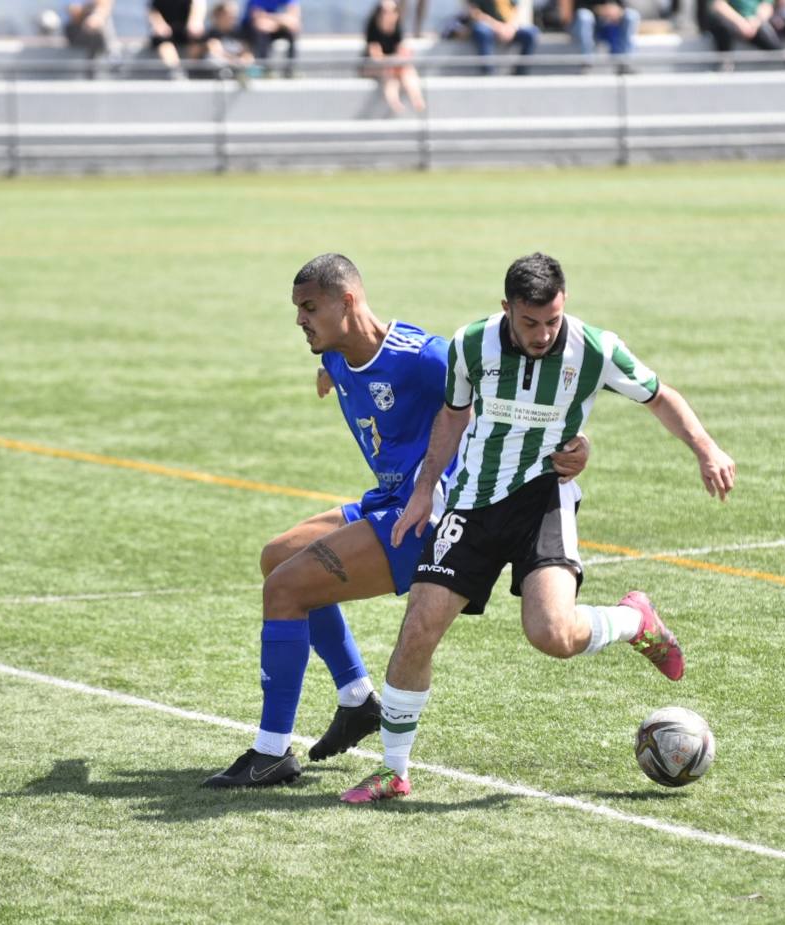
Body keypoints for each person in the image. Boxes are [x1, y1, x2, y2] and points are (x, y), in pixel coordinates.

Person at [340, 252, 737, 804]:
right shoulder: (470, 344)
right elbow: (453, 415)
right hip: (472, 502)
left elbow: (660, 397)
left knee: (551, 635)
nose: (544, 333)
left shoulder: (596, 349)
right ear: (507, 309)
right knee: (417, 631)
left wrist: (706, 448)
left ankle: (633, 620)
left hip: (543, 500)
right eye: (531, 323)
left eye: (553, 320)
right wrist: (427, 489)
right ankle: (393, 771)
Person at [202, 254, 590, 789]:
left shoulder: (425, 357)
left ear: (348, 302)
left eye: (309, 307)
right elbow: (346, 369)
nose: (299, 320)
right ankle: (357, 700)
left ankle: (271, 753)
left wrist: (572, 447)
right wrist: (326, 371)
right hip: (386, 500)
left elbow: (502, 400)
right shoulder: (337, 352)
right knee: (277, 557)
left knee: (286, 590)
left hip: (425, 517)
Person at [363, 0, 426, 113]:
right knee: (390, 75)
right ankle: (394, 103)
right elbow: (376, 56)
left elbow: (401, 49)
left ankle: (417, 99)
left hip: (392, 65)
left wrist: (401, 58)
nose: (389, 15)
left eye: (393, 11)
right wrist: (393, 61)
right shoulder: (373, 28)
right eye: (385, 12)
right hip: (373, 68)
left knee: (408, 71)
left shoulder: (397, 29)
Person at [148, 0, 225, 79]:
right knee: (163, 42)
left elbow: (198, 5)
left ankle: (194, 69)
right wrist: (159, 25)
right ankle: (176, 70)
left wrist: (195, 21)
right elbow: (154, 11)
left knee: (208, 40)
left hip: (187, 30)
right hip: (167, 32)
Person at [466, 0, 539, 75]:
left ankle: (520, 73)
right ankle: (488, 73)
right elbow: (475, 13)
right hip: (489, 26)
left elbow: (516, 10)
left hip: (509, 27)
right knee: (481, 31)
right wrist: (497, 27)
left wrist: (511, 27)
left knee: (531, 32)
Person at [558, 0, 640, 65]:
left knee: (631, 15)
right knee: (584, 16)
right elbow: (578, 9)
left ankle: (623, 60)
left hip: (607, 25)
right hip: (583, 26)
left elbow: (623, 5)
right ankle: (586, 60)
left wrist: (616, 11)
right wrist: (601, 10)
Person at [239, 0, 299, 78]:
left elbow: (294, 22)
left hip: (274, 26)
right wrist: (282, 20)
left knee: (290, 34)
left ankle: (290, 70)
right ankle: (264, 69)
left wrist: (271, 19)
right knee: (262, 34)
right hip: (250, 31)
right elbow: (258, 22)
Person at [704, 0, 782, 55]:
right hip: (732, 21)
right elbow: (718, 4)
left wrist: (755, 22)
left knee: (775, 47)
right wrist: (741, 23)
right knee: (722, 27)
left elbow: (766, 6)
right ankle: (725, 63)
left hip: (754, 23)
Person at [64, 0, 116, 71]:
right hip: (77, 29)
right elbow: (72, 9)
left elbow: (103, 5)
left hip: (95, 31)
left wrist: (97, 15)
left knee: (96, 34)